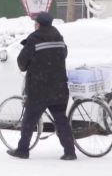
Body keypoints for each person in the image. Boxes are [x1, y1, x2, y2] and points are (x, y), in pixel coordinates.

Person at [7, 11, 77, 160]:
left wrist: (32, 64)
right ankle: (70, 152)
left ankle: (22, 150)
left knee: (29, 119)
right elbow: (64, 54)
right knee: (60, 119)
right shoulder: (59, 36)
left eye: (35, 23)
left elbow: (22, 62)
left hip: (40, 88)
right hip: (59, 87)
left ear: (38, 24)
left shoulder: (34, 38)